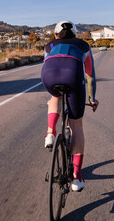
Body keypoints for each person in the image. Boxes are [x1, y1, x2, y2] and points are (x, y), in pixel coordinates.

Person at [41, 20, 99, 191]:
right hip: (73, 76)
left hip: (48, 76)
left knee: (54, 97)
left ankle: (50, 133)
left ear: (55, 35)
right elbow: (90, 76)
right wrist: (92, 98)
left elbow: (48, 65)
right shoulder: (83, 45)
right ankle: (77, 178)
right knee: (76, 126)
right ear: (75, 34)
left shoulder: (49, 45)